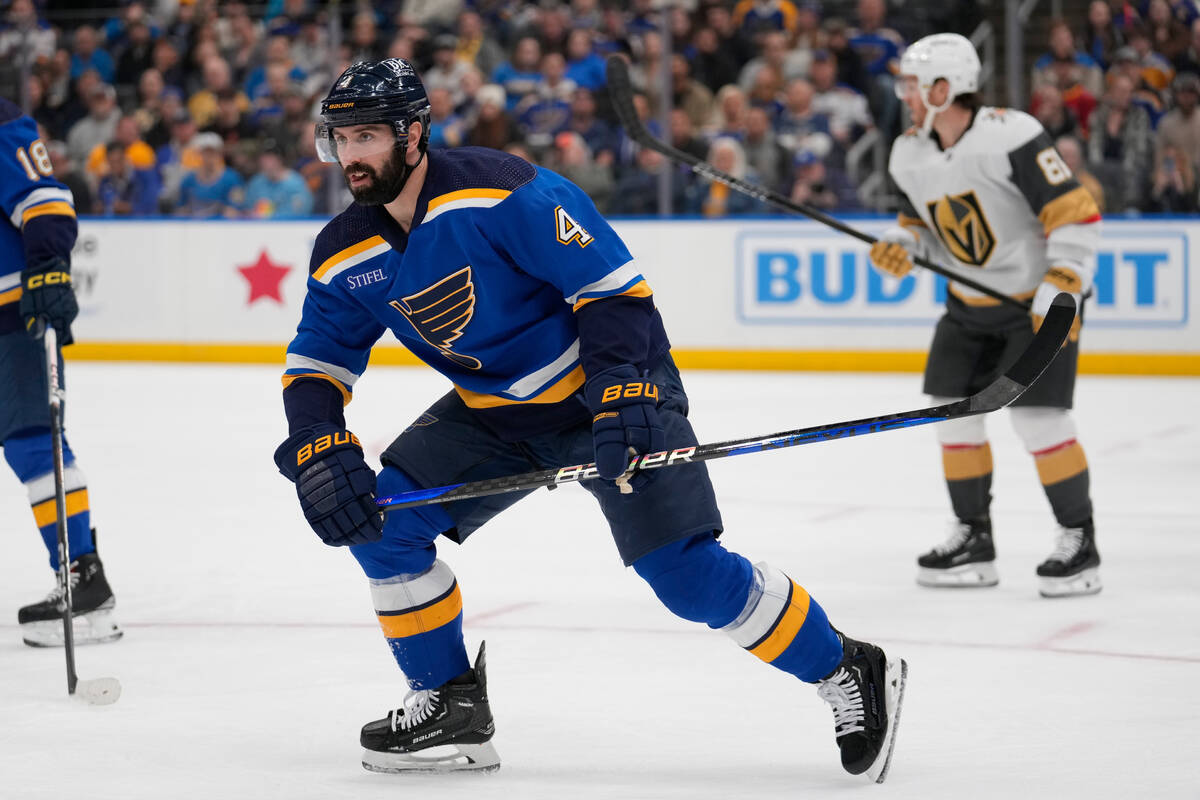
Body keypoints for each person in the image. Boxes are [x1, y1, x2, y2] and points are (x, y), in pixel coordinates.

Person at [273, 58, 906, 780]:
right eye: (339, 140)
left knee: (685, 576)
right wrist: (317, 445)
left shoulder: (499, 192)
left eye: (367, 138)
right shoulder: (343, 250)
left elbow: (612, 291)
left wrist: (620, 393)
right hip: (498, 413)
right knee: (383, 523)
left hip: (612, 384)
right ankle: (449, 702)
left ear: (414, 133)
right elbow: (317, 364)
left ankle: (847, 667)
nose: (350, 157)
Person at [867, 34, 1103, 598]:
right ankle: (974, 538)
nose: (906, 94)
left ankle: (1080, 541)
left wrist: (1066, 275)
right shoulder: (909, 152)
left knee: (1039, 422)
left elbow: (1074, 210)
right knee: (953, 417)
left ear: (943, 89)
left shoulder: (1012, 134)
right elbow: (920, 226)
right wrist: (902, 246)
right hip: (968, 310)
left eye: (913, 84)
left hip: (1034, 307)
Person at [0, 97, 122, 646]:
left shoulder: (1, 125)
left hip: (11, 319)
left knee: (32, 443)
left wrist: (48, 268)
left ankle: (83, 579)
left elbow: (44, 199)